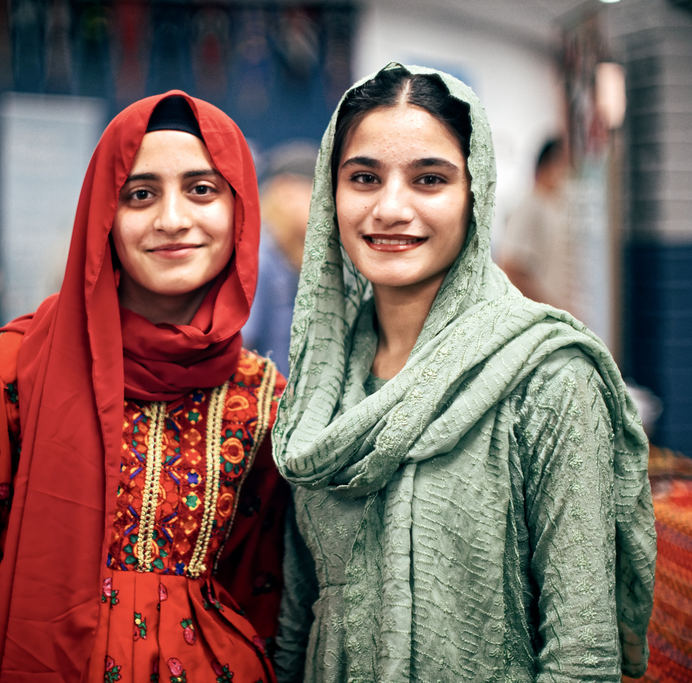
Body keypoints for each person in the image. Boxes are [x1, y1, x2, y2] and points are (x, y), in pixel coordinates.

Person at [271, 64, 656, 682]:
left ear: (475, 190)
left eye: (429, 179)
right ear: (330, 193)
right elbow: (299, 615)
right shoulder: (322, 380)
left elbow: (582, 655)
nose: (390, 208)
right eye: (364, 177)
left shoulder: (548, 376)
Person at [0, 92, 288, 683]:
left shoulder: (262, 395)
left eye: (201, 189)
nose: (171, 219)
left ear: (239, 210)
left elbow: (261, 583)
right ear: (102, 216)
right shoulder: (8, 369)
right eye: (140, 194)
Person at [241, 141, 317, 376]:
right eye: (318, 192)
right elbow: (238, 345)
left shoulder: (288, 254)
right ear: (285, 188)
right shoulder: (257, 257)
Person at [498, 138, 573, 310]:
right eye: (564, 166)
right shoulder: (530, 206)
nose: (566, 175)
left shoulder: (551, 206)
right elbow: (511, 265)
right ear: (547, 166)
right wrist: (549, 309)